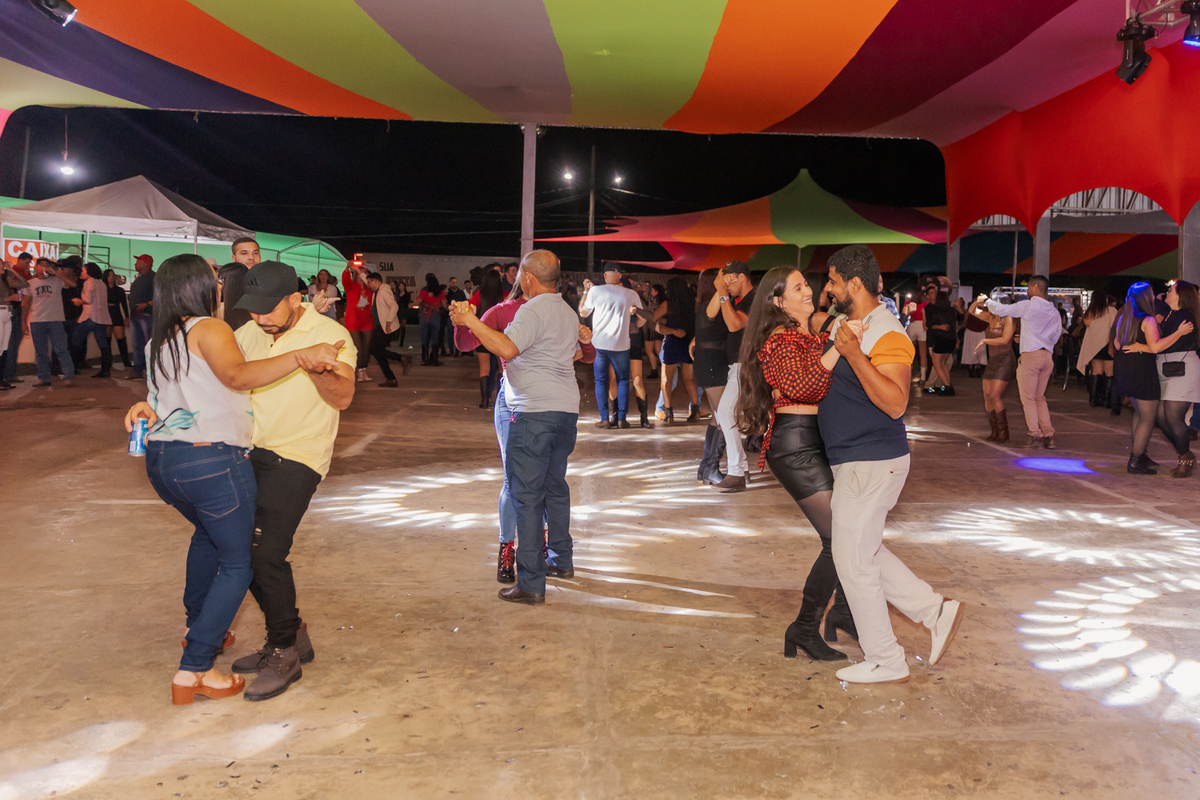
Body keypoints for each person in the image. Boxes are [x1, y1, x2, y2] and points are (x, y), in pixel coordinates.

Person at [121, 254, 340, 705]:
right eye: (215, 280)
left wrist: (143, 408)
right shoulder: (212, 328)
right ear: (203, 287)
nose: (222, 287)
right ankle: (196, 667)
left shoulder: (159, 338)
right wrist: (299, 358)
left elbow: (164, 397)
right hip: (212, 462)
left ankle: (198, 628)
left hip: (165, 463)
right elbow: (237, 376)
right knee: (241, 561)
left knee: (207, 537)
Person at [821, 245, 964, 684]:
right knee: (865, 552)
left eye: (832, 281)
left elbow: (896, 402)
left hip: (872, 460)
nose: (827, 289)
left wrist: (854, 355)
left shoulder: (887, 334)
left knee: (853, 562)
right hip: (856, 459)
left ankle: (887, 659)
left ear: (854, 284)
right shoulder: (847, 326)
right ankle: (933, 611)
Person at [219, 260, 357, 701]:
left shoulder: (328, 337)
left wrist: (320, 373)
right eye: (253, 308)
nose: (260, 318)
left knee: (265, 551)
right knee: (241, 550)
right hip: (249, 451)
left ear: (295, 299)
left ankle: (283, 650)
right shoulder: (249, 333)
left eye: (268, 309)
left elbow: (345, 397)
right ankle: (293, 633)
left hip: (298, 455)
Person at [738, 265, 858, 662]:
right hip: (794, 445)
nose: (809, 291)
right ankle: (804, 628)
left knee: (849, 532)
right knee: (838, 539)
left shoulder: (809, 333)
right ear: (778, 301)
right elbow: (802, 386)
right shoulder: (780, 336)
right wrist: (838, 350)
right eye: (798, 287)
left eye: (807, 284)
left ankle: (841, 611)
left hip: (817, 440)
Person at [451, 251, 583, 605]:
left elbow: (507, 347)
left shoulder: (533, 309)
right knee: (555, 488)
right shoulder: (567, 313)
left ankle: (530, 583)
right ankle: (562, 560)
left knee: (526, 497)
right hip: (565, 411)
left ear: (527, 277)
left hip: (534, 411)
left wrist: (471, 320)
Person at [1115, 282, 1194, 475]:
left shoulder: (1124, 318)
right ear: (1147, 297)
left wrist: (1135, 345)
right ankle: (1135, 460)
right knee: (1148, 417)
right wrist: (1179, 332)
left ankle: (1139, 455)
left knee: (1139, 414)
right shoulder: (1147, 319)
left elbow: (1117, 344)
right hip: (1143, 371)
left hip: (1125, 369)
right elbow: (1156, 347)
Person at [983, 276, 1063, 449]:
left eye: (1029, 287)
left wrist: (986, 301)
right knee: (1039, 398)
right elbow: (1056, 336)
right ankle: (1049, 435)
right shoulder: (1054, 311)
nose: (1027, 291)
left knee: (1028, 399)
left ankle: (1035, 435)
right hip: (1046, 357)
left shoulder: (1029, 305)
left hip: (1031, 358)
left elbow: (1002, 310)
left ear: (1035, 287)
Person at [579, 263, 643, 429]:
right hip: (621, 345)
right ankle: (622, 418)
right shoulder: (631, 293)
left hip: (599, 344)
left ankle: (604, 419)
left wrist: (586, 291)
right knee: (622, 380)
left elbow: (583, 313)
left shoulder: (596, 291)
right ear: (620, 276)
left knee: (600, 381)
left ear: (605, 276)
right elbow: (641, 318)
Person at [712, 261, 756, 493]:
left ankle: (737, 472)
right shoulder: (744, 300)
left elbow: (733, 324)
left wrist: (721, 294)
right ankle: (740, 468)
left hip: (745, 365)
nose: (726, 286)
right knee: (729, 415)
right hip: (740, 365)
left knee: (726, 413)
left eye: (728, 280)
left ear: (740, 277)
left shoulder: (755, 299)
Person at [1153, 281, 1200, 478]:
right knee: (1162, 418)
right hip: (1167, 368)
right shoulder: (1172, 315)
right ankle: (1185, 453)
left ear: (1180, 295)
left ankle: (1184, 460)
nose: (1167, 292)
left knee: (1172, 417)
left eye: (1171, 290)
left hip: (1181, 370)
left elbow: (1165, 344)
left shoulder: (1184, 316)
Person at [693, 268, 731, 484]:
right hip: (712, 366)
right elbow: (718, 304)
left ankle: (706, 467)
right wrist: (723, 286)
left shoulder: (703, 304)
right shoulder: (710, 305)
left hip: (709, 364)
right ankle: (711, 468)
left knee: (718, 416)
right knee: (724, 417)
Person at [967, 297, 1015, 442]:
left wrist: (984, 340)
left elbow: (1005, 339)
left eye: (994, 302)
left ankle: (1003, 432)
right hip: (992, 360)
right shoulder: (991, 317)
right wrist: (978, 300)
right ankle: (994, 431)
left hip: (1005, 359)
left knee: (995, 395)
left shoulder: (1008, 319)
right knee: (987, 396)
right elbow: (971, 310)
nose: (991, 304)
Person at [655, 276, 699, 423]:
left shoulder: (668, 305)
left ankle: (668, 413)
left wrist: (666, 326)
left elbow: (653, 317)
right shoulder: (691, 304)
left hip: (673, 342)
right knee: (689, 379)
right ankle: (695, 411)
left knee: (666, 379)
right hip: (688, 342)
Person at [27, 257, 74, 387]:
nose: (44, 268)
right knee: (41, 351)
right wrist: (23, 323)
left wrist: (56, 273)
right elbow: (25, 303)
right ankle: (43, 378)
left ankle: (68, 376)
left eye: (46, 265)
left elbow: (72, 284)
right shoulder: (30, 283)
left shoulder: (57, 281)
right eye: (41, 265)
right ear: (35, 268)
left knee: (61, 349)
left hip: (55, 319)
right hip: (37, 320)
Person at [364, 271, 411, 387]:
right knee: (377, 352)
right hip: (380, 326)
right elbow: (366, 279)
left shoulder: (384, 291)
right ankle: (391, 379)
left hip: (385, 327)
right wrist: (358, 270)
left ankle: (402, 358)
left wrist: (389, 321)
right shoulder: (377, 290)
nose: (368, 284)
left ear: (376, 282)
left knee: (374, 350)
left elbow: (394, 306)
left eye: (369, 282)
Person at [468, 271, 505, 409]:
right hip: (498, 334)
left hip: (482, 333)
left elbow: (470, 307)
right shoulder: (504, 294)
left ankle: (484, 401)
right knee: (502, 367)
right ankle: (500, 400)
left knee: (484, 368)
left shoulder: (480, 294)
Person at [1077, 291, 1117, 409]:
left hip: (1094, 346)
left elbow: (1088, 325)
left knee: (1096, 371)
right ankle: (1106, 400)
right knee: (1109, 372)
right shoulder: (1111, 311)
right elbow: (1114, 328)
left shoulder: (1090, 312)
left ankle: (1094, 398)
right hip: (1108, 344)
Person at [73, 262, 113, 378]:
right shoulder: (102, 284)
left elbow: (88, 299)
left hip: (89, 316)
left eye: (83, 271)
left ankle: (74, 367)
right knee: (103, 343)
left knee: (76, 340)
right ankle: (105, 369)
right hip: (101, 317)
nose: (81, 273)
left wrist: (79, 300)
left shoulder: (88, 282)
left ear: (88, 272)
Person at [218, 237, 262, 332]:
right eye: (244, 253)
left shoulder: (267, 283)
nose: (251, 257)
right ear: (234, 258)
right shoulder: (223, 286)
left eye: (255, 253)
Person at [341, 262, 375, 381]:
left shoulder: (369, 288)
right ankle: (360, 371)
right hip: (353, 318)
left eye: (364, 273)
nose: (361, 275)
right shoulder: (351, 286)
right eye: (359, 273)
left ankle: (364, 370)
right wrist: (347, 269)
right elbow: (345, 280)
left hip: (367, 317)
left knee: (367, 346)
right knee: (358, 346)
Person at [126, 254, 155, 380]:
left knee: (149, 344)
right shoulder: (139, 278)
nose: (135, 264)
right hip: (136, 316)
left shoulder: (154, 278)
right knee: (137, 344)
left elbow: (160, 296)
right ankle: (137, 370)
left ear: (145, 263)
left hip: (147, 315)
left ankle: (152, 371)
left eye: (138, 261)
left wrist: (147, 304)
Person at [922, 288, 956, 396]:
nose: (934, 294)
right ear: (927, 296)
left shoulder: (943, 308)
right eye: (931, 292)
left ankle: (941, 385)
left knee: (944, 363)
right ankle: (930, 386)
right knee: (938, 364)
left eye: (935, 292)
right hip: (934, 338)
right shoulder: (928, 308)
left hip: (942, 338)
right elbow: (927, 326)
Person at [2, 259, 30, 388]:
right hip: (2, 311)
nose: (3, 265)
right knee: (2, 347)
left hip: (9, 313)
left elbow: (24, 283)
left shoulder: (7, 279)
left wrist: (12, 270)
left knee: (5, 347)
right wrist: (9, 298)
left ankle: (4, 378)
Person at [905, 283, 936, 385]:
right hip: (922, 326)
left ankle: (908, 377)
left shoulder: (908, 304)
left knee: (911, 353)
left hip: (911, 325)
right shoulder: (925, 304)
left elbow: (906, 315)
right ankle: (922, 377)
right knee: (923, 353)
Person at [104, 269, 132, 369]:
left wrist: (126, 317)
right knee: (107, 339)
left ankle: (126, 361)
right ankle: (107, 362)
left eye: (113, 275)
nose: (111, 277)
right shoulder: (103, 289)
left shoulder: (119, 290)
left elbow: (124, 304)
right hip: (106, 314)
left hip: (116, 314)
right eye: (109, 275)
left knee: (121, 339)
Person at [416, 273, 446, 367]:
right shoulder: (440, 292)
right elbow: (445, 305)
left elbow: (416, 302)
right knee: (435, 337)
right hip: (435, 316)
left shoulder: (424, 291)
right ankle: (435, 360)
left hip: (425, 316)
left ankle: (424, 359)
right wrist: (439, 306)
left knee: (424, 338)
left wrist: (427, 305)